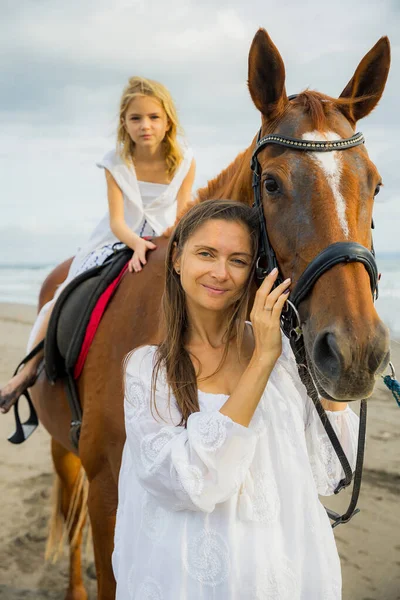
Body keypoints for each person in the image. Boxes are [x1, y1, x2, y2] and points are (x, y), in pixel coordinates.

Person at [114, 199, 359, 599]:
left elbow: (330, 469)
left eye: (239, 260)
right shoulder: (147, 370)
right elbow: (192, 483)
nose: (220, 272)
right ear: (176, 259)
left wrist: (343, 348)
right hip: (188, 582)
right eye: (206, 254)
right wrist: (261, 359)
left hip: (278, 573)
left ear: (254, 272)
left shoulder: (284, 358)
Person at [0, 76, 195, 412]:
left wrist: (167, 243)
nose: (144, 125)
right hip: (118, 238)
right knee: (61, 295)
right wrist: (136, 244)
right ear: (124, 123)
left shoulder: (185, 161)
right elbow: (118, 220)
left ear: (167, 122)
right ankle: (28, 371)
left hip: (166, 237)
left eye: (153, 117)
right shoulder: (115, 163)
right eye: (135, 118)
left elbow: (181, 214)